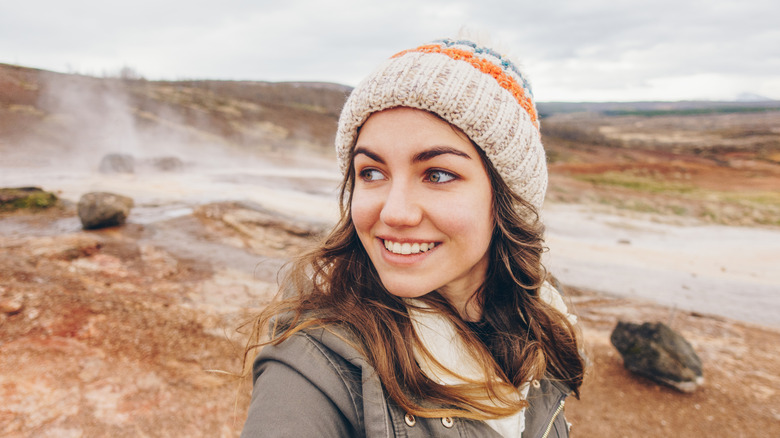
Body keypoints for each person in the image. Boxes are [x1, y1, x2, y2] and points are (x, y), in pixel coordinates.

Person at [241, 35, 585, 438]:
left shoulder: (539, 319)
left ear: (507, 197)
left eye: (437, 174)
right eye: (372, 172)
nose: (394, 212)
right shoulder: (314, 364)